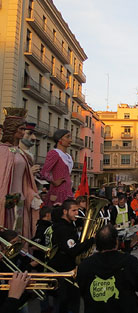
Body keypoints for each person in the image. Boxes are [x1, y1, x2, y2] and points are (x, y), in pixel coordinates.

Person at [76, 224, 138, 313]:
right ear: (116, 241)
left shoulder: (84, 265)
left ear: (97, 243)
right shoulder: (130, 261)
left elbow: (81, 290)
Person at [0, 107, 41, 239]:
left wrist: (32, 194)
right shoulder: (2, 151)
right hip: (6, 201)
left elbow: (25, 181)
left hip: (20, 200)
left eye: (24, 129)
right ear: (12, 129)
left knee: (19, 236)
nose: (24, 132)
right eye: (21, 129)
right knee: (7, 235)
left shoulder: (21, 153)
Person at [48, 199, 94, 313]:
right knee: (66, 304)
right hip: (63, 271)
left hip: (68, 269)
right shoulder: (62, 229)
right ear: (65, 211)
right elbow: (73, 250)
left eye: (77, 210)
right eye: (73, 210)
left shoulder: (68, 226)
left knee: (70, 302)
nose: (77, 213)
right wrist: (92, 240)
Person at [40, 129, 74, 206]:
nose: (70, 140)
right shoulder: (54, 153)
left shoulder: (68, 156)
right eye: (67, 137)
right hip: (58, 191)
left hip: (68, 190)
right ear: (59, 139)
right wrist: (53, 181)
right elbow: (44, 172)